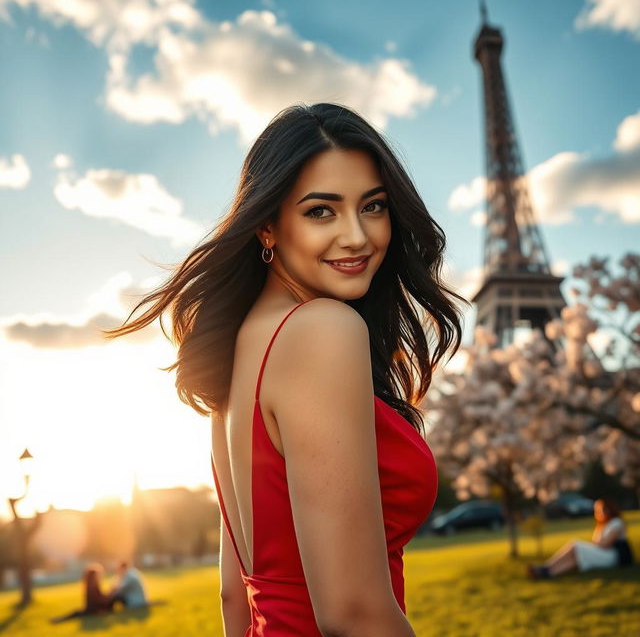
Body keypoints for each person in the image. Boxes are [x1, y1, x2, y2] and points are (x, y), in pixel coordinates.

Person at [103, 103, 467, 636]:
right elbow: (354, 613)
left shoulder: (237, 350)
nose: (357, 236)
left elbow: (234, 595)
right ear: (268, 227)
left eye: (373, 206)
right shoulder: (323, 332)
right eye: (321, 211)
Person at [527, 498, 634, 579]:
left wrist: (590, 546)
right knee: (577, 559)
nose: (599, 513)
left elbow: (605, 544)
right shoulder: (603, 525)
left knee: (575, 545)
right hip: (603, 553)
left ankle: (546, 567)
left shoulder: (616, 523)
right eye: (597, 510)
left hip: (613, 556)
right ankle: (549, 573)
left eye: (601, 510)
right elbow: (597, 542)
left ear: (609, 509)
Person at [50, 563, 114, 623]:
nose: (100, 575)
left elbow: (98, 598)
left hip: (92, 609)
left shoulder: (90, 585)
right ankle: (58, 619)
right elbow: (98, 599)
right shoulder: (93, 586)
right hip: (94, 610)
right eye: (98, 574)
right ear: (94, 575)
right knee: (75, 613)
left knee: (75, 613)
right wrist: (109, 595)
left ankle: (58, 619)